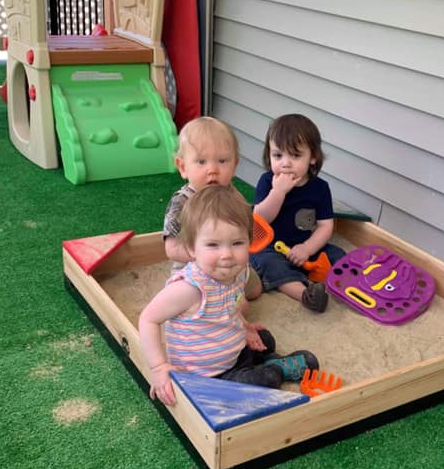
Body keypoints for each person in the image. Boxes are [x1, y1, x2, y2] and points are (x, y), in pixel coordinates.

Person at [139, 186, 318, 406]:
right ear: (192, 248)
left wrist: (246, 326)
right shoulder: (189, 288)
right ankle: (276, 368)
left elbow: (231, 307)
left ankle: (267, 359)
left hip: (233, 351)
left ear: (249, 241)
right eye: (213, 245)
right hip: (207, 376)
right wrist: (158, 367)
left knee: (265, 338)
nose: (227, 255)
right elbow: (148, 318)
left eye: (237, 243)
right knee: (262, 383)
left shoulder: (239, 272)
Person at [251, 114, 346, 312]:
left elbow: (325, 226)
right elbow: (259, 220)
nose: (285, 163)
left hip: (304, 244)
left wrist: (307, 248)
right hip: (270, 246)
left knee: (338, 255)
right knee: (268, 264)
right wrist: (278, 192)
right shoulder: (267, 182)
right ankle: (306, 294)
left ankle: (348, 284)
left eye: (295, 155)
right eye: (278, 155)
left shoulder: (320, 188)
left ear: (312, 157)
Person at [162, 115, 261, 301]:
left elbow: (245, 229)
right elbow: (172, 249)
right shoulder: (181, 203)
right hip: (193, 270)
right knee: (192, 304)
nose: (212, 169)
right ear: (182, 167)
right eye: (201, 162)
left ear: (235, 165)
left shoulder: (233, 196)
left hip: (230, 265)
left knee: (255, 290)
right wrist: (207, 258)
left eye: (222, 161)